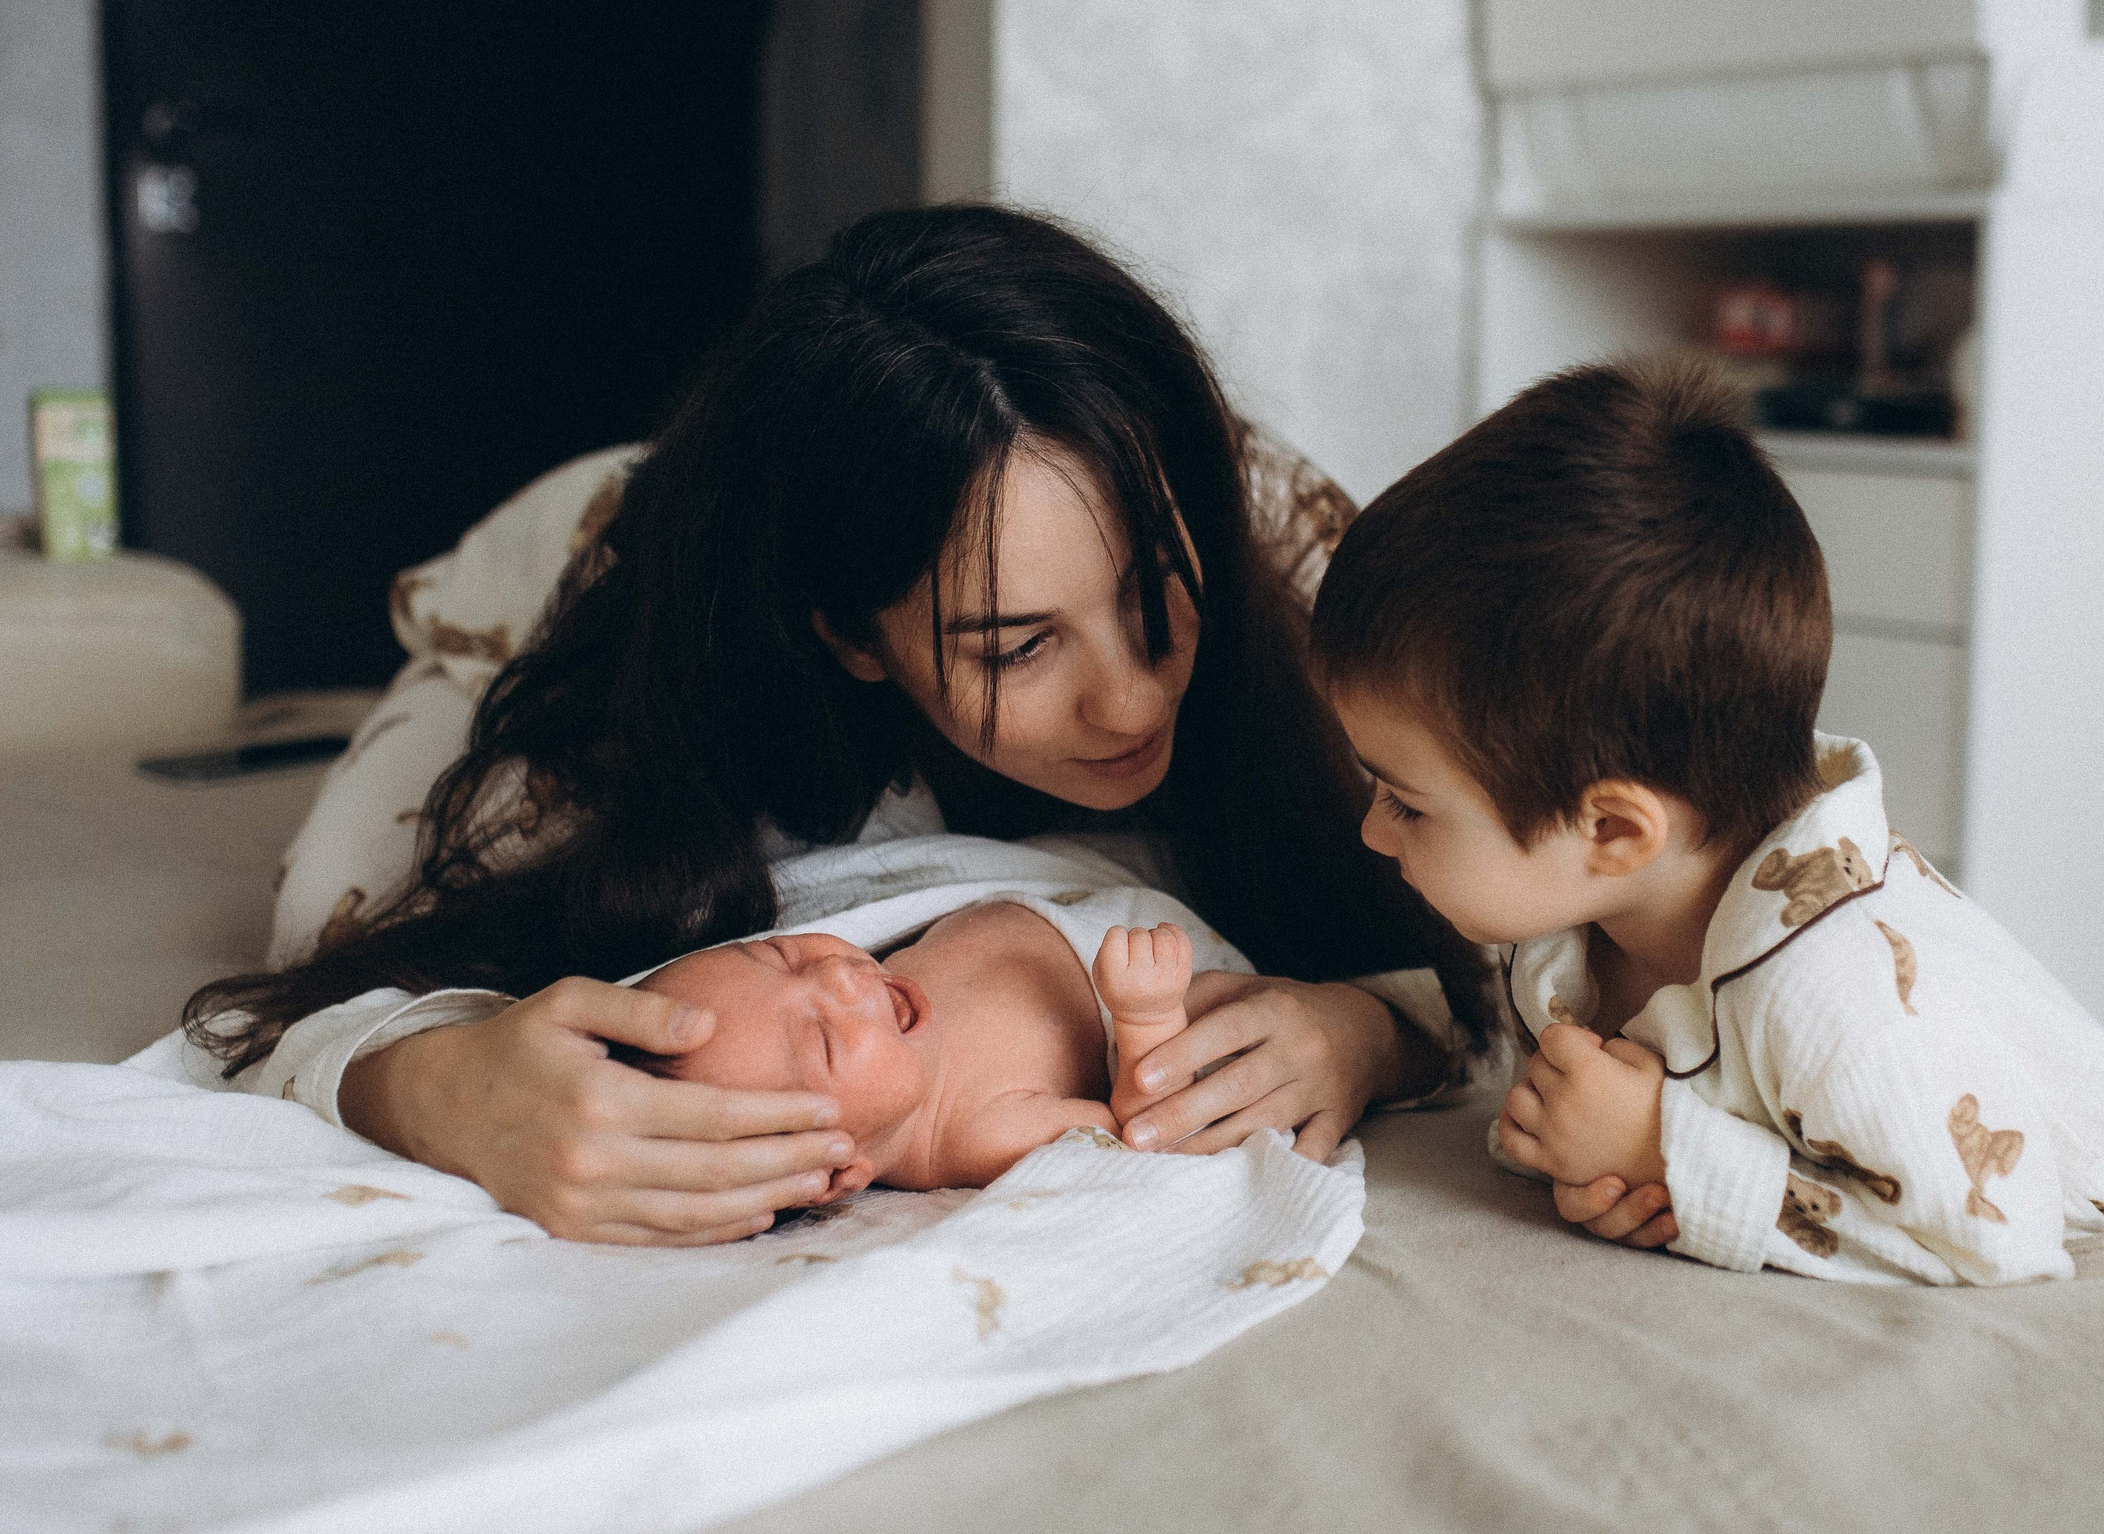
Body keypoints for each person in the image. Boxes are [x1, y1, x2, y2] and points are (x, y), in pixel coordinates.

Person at [184, 204, 1487, 1247]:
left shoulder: (1277, 546)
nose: (1136, 697)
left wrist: (1362, 1032)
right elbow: (313, 964)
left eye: (1154, 595)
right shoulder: (629, 702)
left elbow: (1514, 930)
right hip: (597, 536)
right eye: (1018, 644)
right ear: (851, 637)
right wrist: (445, 1088)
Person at [1307, 356, 2104, 1285]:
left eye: (1406, 801)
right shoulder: (1582, 921)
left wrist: (1663, 1149)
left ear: (1614, 830)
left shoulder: (1835, 995)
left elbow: (2002, 1241)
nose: (1373, 833)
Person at [634, 907, 1204, 1196]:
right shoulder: (980, 1134)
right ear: (837, 1172)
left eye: (779, 954)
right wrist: (1147, 1016)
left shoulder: (887, 999)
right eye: (824, 1041)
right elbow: (1150, 1135)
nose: (836, 975)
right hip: (1176, 957)